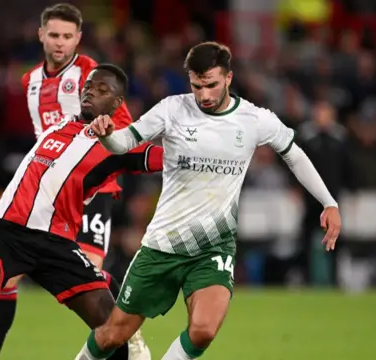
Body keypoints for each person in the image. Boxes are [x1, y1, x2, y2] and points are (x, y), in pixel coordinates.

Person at [74, 42, 342, 360]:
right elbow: (123, 143)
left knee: (203, 330)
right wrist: (106, 133)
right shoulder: (171, 109)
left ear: (228, 78)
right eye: (197, 86)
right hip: (162, 245)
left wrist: (329, 202)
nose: (204, 95)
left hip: (213, 246)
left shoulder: (254, 119)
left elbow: (294, 155)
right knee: (112, 335)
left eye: (211, 85)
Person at [0, 64, 163, 360]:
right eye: (89, 86)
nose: (91, 91)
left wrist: (206, 146)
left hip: (57, 243)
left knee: (113, 328)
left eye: (102, 89)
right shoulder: (58, 125)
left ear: (118, 103)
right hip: (7, 227)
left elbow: (162, 157)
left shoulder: (118, 144)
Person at [0, 4, 150, 359]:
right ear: (41, 35)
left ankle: (130, 337)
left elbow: (124, 130)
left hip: (93, 188)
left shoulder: (91, 75)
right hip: (47, 194)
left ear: (79, 39)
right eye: (54, 35)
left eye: (67, 37)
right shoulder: (29, 82)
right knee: (5, 276)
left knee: (90, 269)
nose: (60, 44)